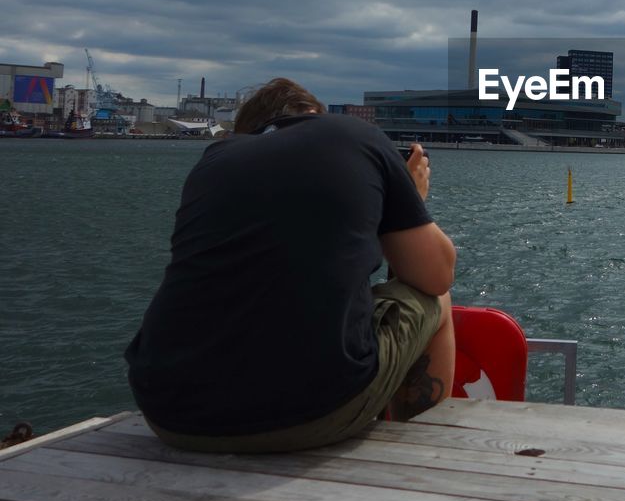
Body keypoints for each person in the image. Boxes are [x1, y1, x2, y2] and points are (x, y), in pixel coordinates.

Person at [124, 77, 456, 452]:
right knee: (437, 300)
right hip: (313, 413)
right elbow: (435, 274)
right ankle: (423, 452)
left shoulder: (215, 158)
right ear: (314, 114)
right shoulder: (358, 136)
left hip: (168, 413)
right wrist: (409, 202)